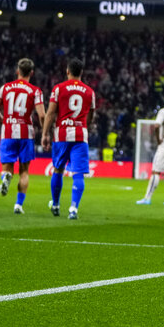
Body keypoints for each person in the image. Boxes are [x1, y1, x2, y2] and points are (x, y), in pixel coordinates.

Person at [41, 58, 96, 221]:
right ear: (82, 72)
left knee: (58, 169)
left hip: (62, 135)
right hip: (80, 135)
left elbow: (50, 113)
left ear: (67, 71)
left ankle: (56, 205)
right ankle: (73, 208)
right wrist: (85, 125)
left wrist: (45, 133)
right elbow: (91, 115)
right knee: (78, 173)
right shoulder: (89, 92)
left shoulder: (59, 89)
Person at [0, 58, 46, 214]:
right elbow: (42, 115)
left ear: (17, 71)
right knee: (24, 171)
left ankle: (6, 177)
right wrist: (46, 131)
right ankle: (18, 205)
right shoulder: (35, 91)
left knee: (7, 168)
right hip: (26, 133)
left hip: (8, 131)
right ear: (31, 73)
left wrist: (4, 121)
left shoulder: (5, 88)